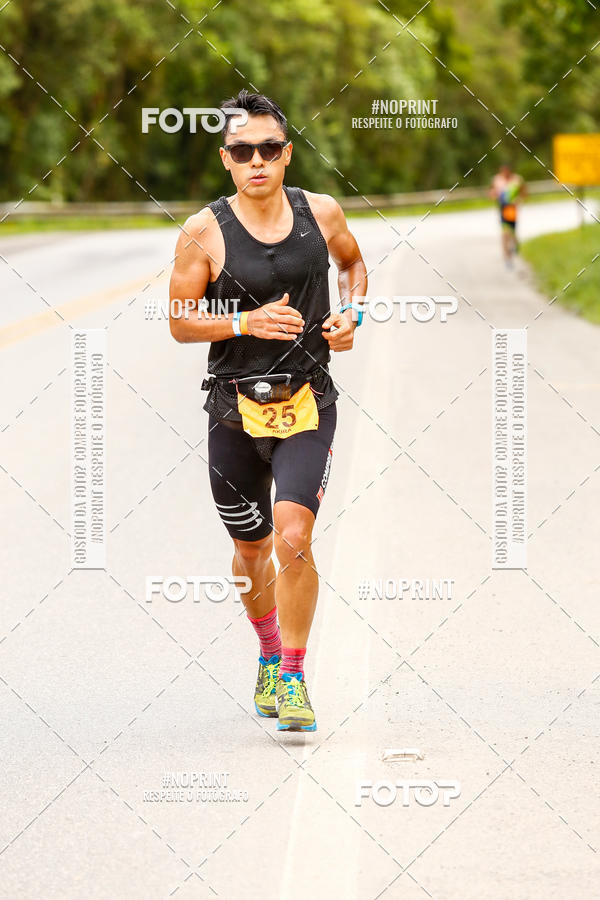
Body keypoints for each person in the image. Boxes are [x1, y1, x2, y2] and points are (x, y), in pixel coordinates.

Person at [169, 90, 367, 732]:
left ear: (287, 154)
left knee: (294, 536)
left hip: (307, 400)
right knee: (252, 551)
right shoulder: (203, 231)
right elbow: (179, 321)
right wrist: (243, 322)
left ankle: (294, 676)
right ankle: (268, 650)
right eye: (243, 151)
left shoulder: (322, 212)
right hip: (233, 410)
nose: (257, 160)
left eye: (268, 148)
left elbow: (352, 265)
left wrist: (351, 313)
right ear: (226, 159)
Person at [490, 164, 527, 265]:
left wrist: (519, 200)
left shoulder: (517, 179)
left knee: (512, 231)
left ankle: (515, 243)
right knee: (505, 233)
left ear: (510, 171)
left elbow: (524, 192)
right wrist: (494, 195)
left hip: (512, 209)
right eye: (503, 172)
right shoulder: (497, 180)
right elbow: (492, 192)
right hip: (502, 209)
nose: (505, 173)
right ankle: (506, 256)